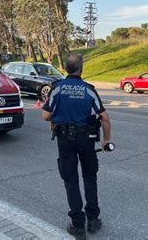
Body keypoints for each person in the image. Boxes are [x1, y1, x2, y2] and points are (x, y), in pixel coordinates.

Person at [41, 53, 111, 239]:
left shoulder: (56, 88)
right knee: (89, 177)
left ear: (65, 68)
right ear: (82, 68)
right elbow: (104, 117)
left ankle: (78, 226)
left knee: (71, 180)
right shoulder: (89, 90)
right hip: (86, 139)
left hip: (65, 140)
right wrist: (106, 140)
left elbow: (45, 116)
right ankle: (93, 220)